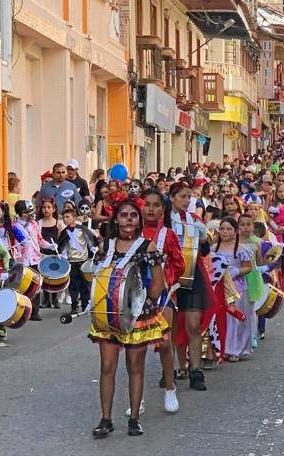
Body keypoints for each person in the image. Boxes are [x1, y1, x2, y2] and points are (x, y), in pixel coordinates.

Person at [89, 198, 168, 438]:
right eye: (124, 215)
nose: (129, 220)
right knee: (106, 366)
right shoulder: (107, 246)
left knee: (135, 367)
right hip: (109, 315)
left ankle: (134, 418)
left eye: (134, 215)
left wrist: (143, 306)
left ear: (139, 220)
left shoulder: (148, 246)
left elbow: (158, 282)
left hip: (137, 314)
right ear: (116, 219)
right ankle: (106, 419)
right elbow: (97, 277)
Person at [141, 188, 183, 413]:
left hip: (163, 295)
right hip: (135, 297)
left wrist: (165, 280)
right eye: (147, 204)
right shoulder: (131, 233)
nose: (151, 209)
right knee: (135, 348)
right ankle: (136, 397)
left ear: (163, 209)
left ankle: (170, 387)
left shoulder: (168, 234)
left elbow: (179, 264)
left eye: (156, 205)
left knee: (165, 343)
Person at [169, 183, 213, 391]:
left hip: (192, 276)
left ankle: (196, 370)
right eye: (182, 196)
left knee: (192, 325)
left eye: (189, 197)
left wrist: (205, 237)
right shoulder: (165, 222)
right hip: (170, 278)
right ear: (172, 198)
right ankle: (177, 367)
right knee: (172, 326)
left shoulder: (195, 221)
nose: (186, 201)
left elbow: (204, 251)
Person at [211, 217, 254, 361]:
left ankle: (236, 349)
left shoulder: (241, 249)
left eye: (228, 229)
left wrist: (235, 272)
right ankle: (221, 348)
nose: (225, 232)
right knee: (220, 319)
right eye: (222, 229)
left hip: (237, 288)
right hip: (218, 288)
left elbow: (249, 267)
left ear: (235, 231)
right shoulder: (213, 248)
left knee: (235, 318)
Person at [57, 205, 98, 314]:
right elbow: (63, 246)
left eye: (67, 217)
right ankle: (74, 306)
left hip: (83, 261)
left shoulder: (82, 229)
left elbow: (90, 241)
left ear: (74, 218)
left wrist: (94, 249)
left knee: (85, 285)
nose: (65, 219)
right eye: (64, 217)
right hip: (72, 262)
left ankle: (85, 305)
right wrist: (63, 255)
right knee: (73, 285)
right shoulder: (65, 232)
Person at [37, 198, 63, 309]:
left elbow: (61, 238)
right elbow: (37, 238)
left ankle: (55, 299)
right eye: (44, 207)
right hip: (43, 254)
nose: (46, 210)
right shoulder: (39, 223)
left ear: (53, 209)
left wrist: (60, 251)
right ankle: (46, 299)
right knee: (45, 276)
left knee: (55, 276)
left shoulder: (58, 223)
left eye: (48, 207)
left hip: (54, 254)